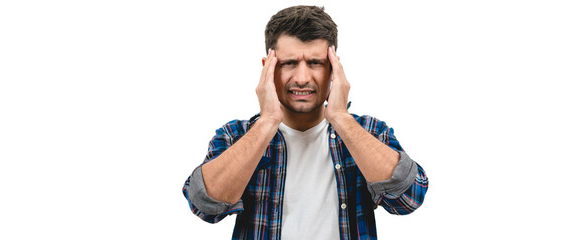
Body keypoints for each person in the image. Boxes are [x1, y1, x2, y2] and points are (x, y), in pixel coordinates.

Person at [182, 5, 428, 240]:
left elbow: (409, 198)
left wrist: (341, 118)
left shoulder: (370, 132)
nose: (301, 78)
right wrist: (268, 121)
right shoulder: (235, 135)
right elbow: (205, 206)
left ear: (334, 69)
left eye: (315, 63)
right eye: (289, 63)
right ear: (268, 68)